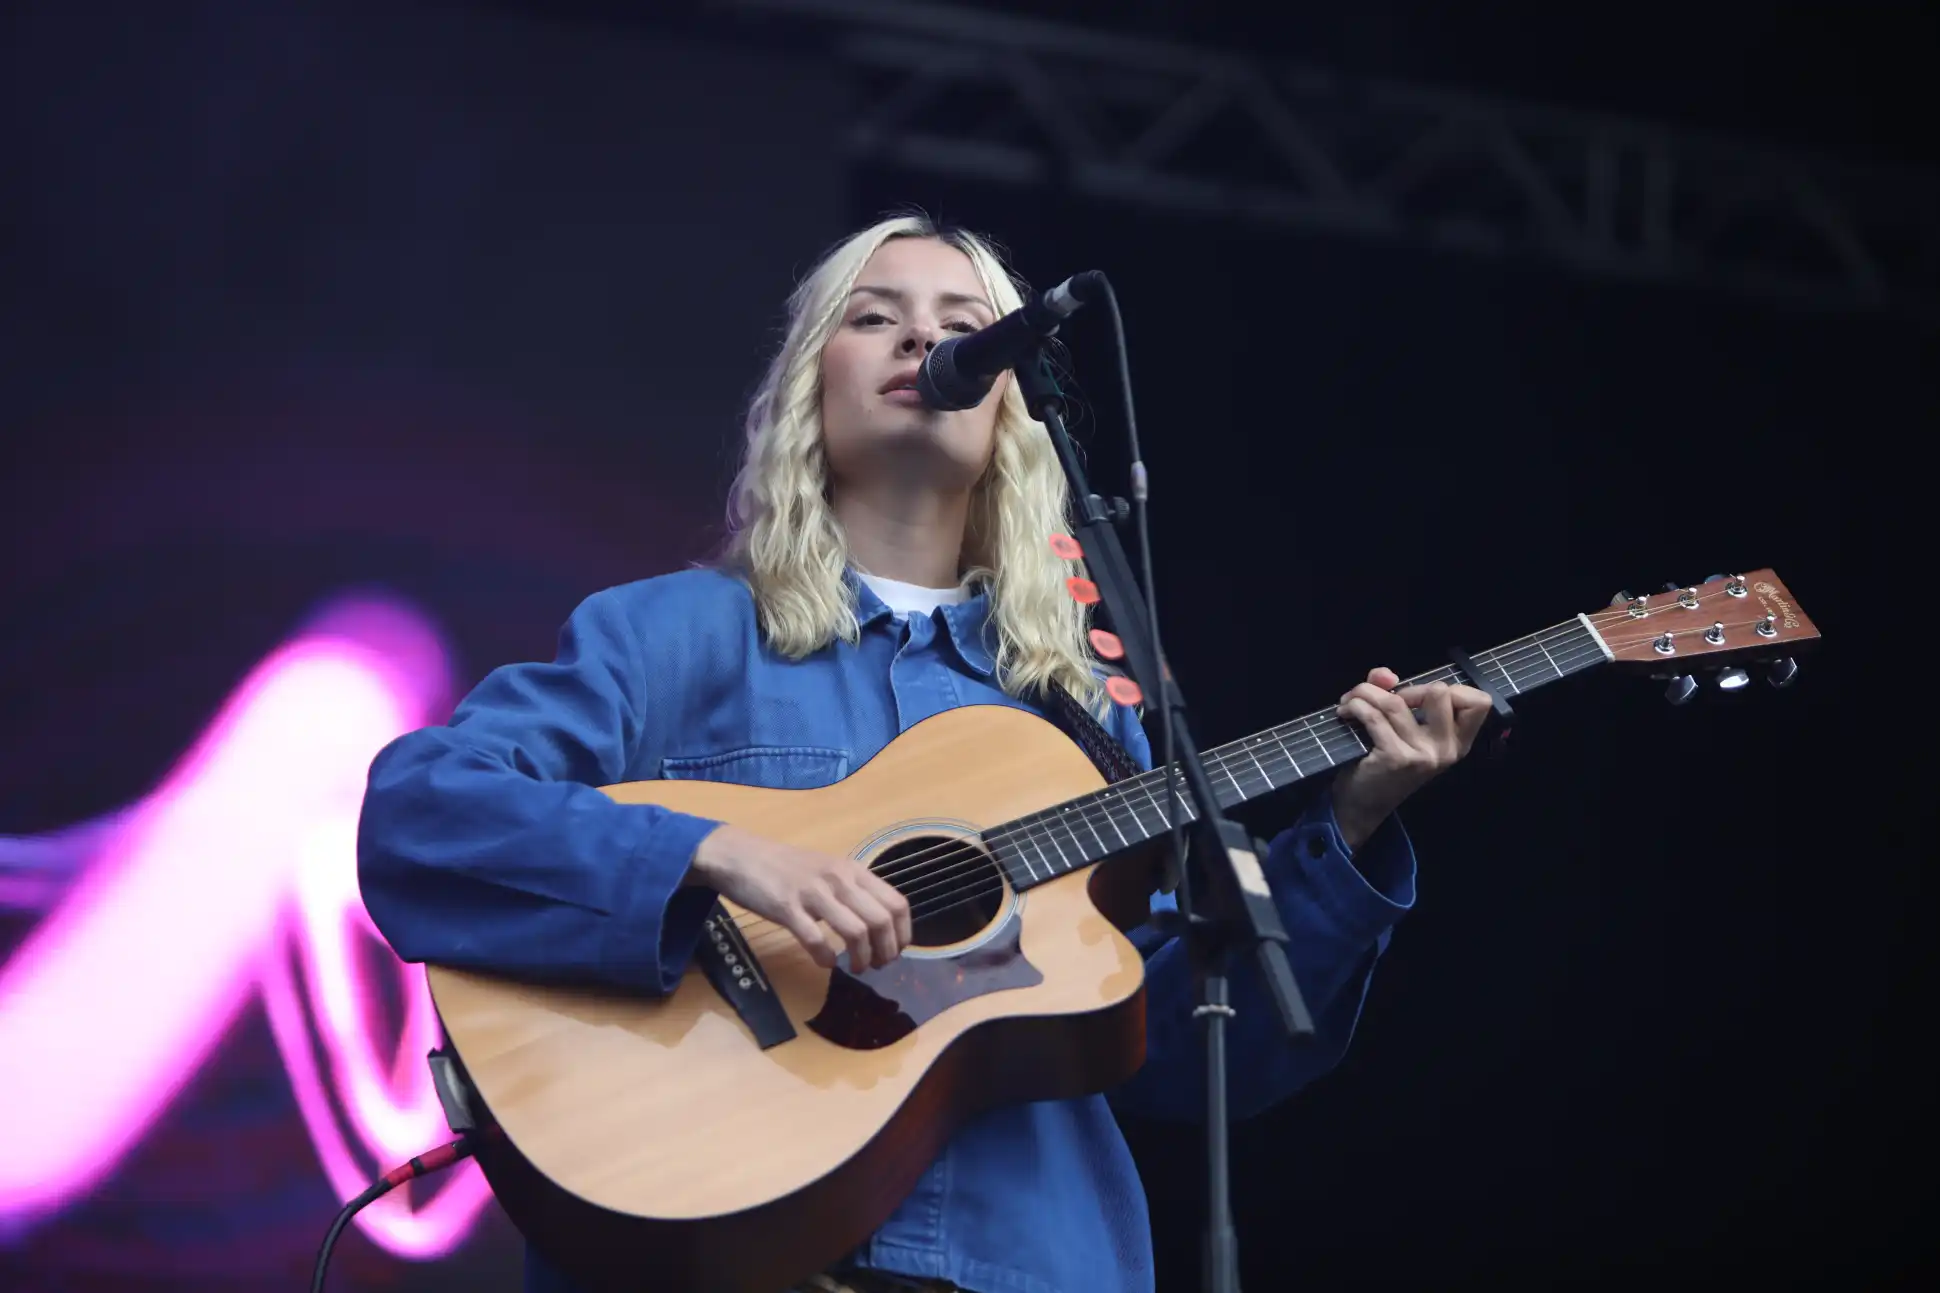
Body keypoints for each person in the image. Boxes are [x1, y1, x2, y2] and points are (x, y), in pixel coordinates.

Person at [355, 213, 1495, 1293]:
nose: (924, 339)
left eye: (964, 323)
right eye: (874, 315)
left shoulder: (1084, 717)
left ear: (1010, 403)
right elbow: (420, 813)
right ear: (810, 383)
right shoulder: (667, 635)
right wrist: (725, 856)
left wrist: (1345, 827)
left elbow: (1191, 1062)